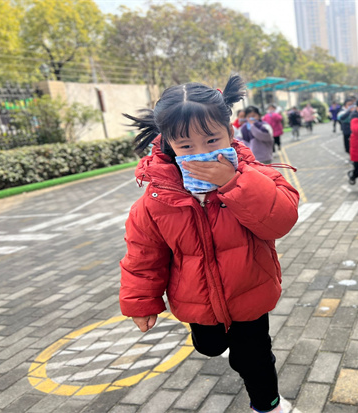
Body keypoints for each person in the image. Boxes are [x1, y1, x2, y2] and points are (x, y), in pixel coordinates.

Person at [120, 74, 299, 413]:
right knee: (210, 346)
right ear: (169, 144)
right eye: (186, 146)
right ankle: (225, 347)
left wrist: (234, 183)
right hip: (196, 298)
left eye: (212, 139)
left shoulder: (257, 176)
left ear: (229, 132)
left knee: (254, 358)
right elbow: (143, 253)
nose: (201, 153)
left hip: (249, 292)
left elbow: (281, 219)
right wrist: (141, 301)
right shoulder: (158, 197)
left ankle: (269, 405)